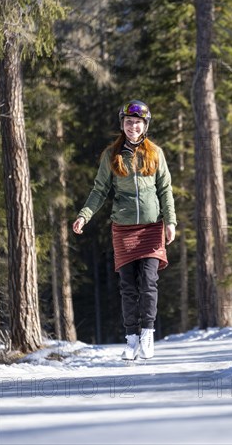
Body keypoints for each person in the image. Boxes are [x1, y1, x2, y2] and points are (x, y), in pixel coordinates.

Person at [72, 100, 176, 360]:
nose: (133, 126)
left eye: (138, 122)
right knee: (128, 286)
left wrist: (171, 222)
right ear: (122, 125)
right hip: (124, 228)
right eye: (128, 122)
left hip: (152, 227)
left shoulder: (155, 153)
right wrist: (84, 216)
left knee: (149, 282)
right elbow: (99, 190)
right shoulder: (112, 155)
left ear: (145, 125)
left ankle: (148, 333)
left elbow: (165, 190)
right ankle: (131, 338)